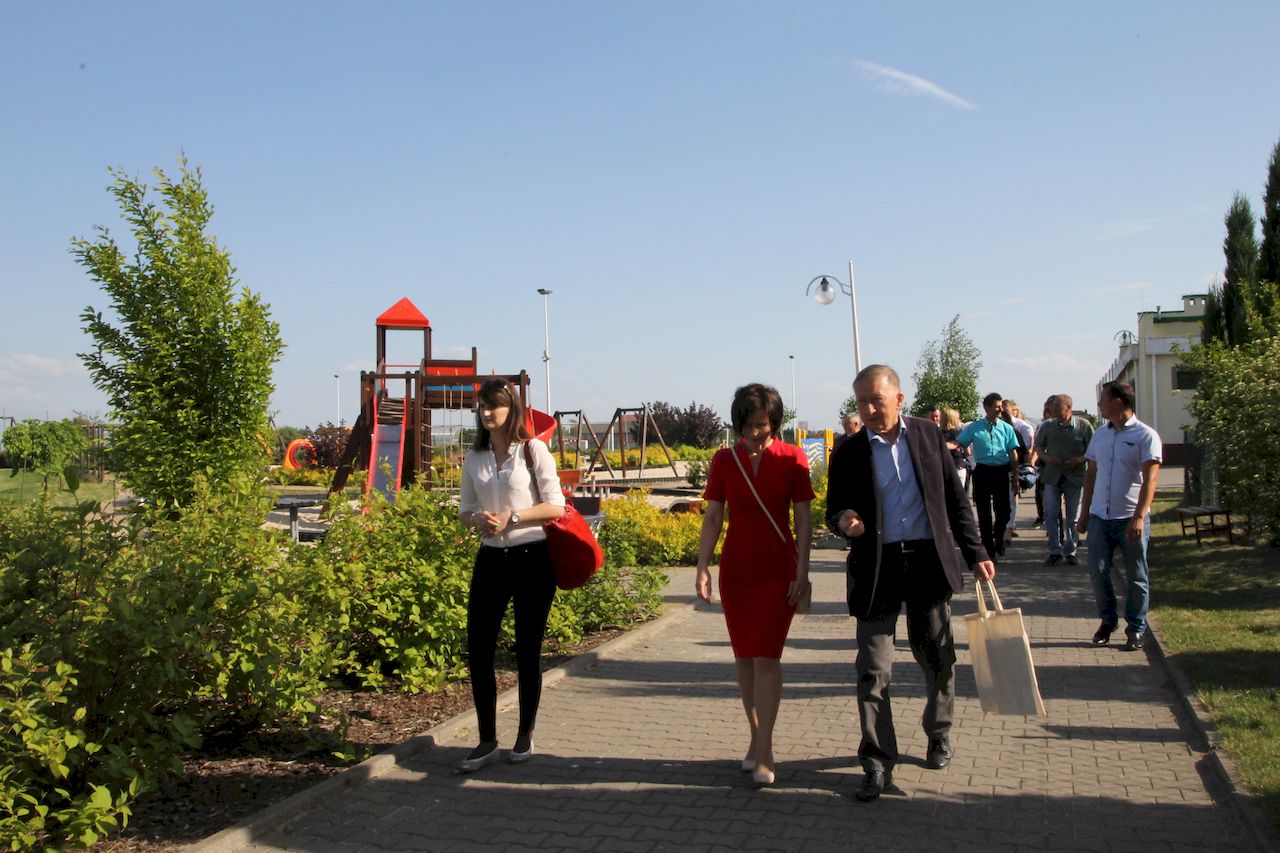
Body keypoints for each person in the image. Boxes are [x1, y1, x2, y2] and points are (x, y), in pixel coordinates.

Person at [825, 365, 995, 802]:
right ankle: (877, 760)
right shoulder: (848, 451)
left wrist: (977, 553)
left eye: (876, 400)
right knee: (873, 670)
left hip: (927, 564)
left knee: (937, 658)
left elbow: (955, 501)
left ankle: (938, 732)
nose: (868, 409)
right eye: (861, 401)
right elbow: (833, 509)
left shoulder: (927, 435)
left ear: (899, 399)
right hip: (876, 569)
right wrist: (844, 521)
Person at [696, 383, 814, 787]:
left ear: (774, 422)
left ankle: (765, 749)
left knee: (767, 657)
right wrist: (702, 566)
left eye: (761, 425)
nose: (753, 432)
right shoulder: (724, 460)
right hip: (737, 570)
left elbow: (803, 520)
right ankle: (755, 736)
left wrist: (802, 571)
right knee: (744, 656)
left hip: (778, 569)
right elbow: (714, 516)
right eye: (746, 425)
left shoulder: (793, 458)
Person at [456, 379, 567, 771]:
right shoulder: (475, 457)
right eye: (482, 406)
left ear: (511, 408)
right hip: (491, 558)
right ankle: (486, 739)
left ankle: (524, 732)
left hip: (533, 557)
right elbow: (465, 510)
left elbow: (556, 506)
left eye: (495, 405)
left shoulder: (533, 451)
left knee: (527, 649)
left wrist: (512, 518)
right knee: (479, 648)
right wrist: (479, 520)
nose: (487, 413)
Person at [1077, 381, 1161, 651]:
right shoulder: (1100, 435)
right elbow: (1091, 475)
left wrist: (1139, 516)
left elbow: (1150, 480)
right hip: (1100, 517)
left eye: (1102, 399)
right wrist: (1084, 513)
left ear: (1117, 402)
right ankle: (1108, 620)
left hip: (1129, 517)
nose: (1099, 404)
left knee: (1136, 575)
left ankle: (1136, 628)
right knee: (1097, 571)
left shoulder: (1145, 435)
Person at [954, 393, 1021, 561]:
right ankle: (989, 552)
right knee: (984, 514)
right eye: (997, 406)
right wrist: (943, 445)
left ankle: (999, 537)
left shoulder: (1006, 428)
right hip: (982, 472)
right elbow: (959, 443)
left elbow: (1013, 453)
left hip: (1001, 471)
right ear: (987, 407)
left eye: (1001, 406)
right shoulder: (975, 427)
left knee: (1004, 511)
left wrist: (1015, 477)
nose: (1000, 410)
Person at [1034, 394, 1093, 567]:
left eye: (1057, 408)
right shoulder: (1047, 426)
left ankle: (1071, 551)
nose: (1053, 411)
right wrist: (1048, 458)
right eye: (1052, 407)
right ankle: (1054, 551)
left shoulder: (1083, 426)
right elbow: (1039, 448)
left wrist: (1080, 459)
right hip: (1052, 476)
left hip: (1075, 478)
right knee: (1051, 513)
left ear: (1068, 408)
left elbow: (1093, 450)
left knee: (1072, 516)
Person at [1001, 400, 1034, 539]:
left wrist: (1025, 469)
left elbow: (1024, 451)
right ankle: (1004, 527)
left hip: (1011, 470)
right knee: (1002, 502)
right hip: (995, 471)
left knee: (1011, 500)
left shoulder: (1014, 432)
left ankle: (1008, 529)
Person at [940, 407, 971, 492]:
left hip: (944, 468)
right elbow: (968, 452)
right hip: (958, 466)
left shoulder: (938, 433)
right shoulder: (959, 433)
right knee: (958, 494)